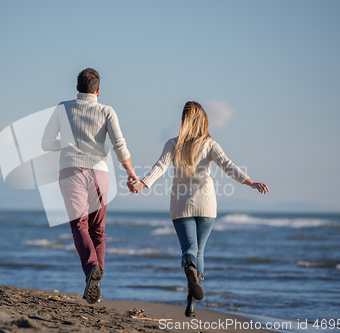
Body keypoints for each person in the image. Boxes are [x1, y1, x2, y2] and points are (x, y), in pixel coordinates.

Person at [130, 101, 269, 316]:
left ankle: (190, 270)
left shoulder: (173, 143)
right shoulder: (209, 144)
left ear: (184, 120)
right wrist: (249, 182)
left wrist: (142, 183)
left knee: (189, 250)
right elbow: (227, 165)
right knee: (200, 250)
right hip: (207, 204)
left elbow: (160, 167)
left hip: (181, 204)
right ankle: (192, 302)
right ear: (204, 120)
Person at [41, 68, 138, 304]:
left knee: (79, 226)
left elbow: (45, 143)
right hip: (99, 173)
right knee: (98, 231)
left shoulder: (62, 108)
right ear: (98, 90)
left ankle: (91, 269)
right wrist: (131, 173)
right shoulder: (106, 110)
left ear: (77, 88)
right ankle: (96, 282)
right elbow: (119, 145)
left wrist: (66, 143)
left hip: (70, 171)